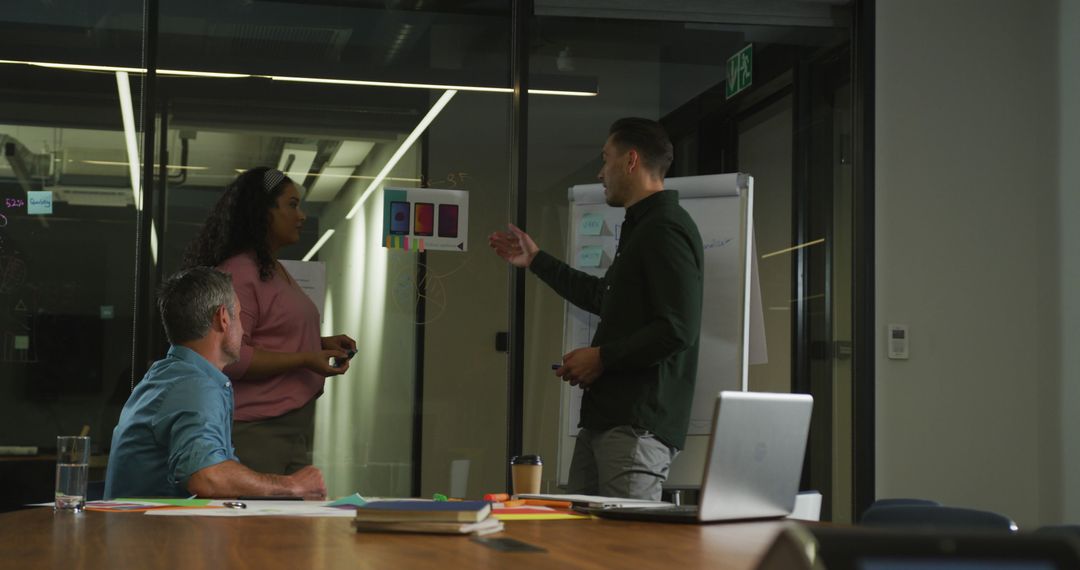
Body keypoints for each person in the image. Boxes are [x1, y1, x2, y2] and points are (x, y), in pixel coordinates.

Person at [488, 117, 704, 500]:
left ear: (631, 161)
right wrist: (537, 261)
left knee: (626, 550)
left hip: (635, 426)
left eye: (606, 159)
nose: (601, 172)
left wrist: (602, 356)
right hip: (608, 421)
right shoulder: (641, 228)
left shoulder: (664, 228)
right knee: (582, 546)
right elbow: (606, 297)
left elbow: (677, 328)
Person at [182, 167, 355, 475]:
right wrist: (305, 358)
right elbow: (230, 357)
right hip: (257, 432)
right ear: (264, 212)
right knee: (263, 523)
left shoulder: (270, 268)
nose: (301, 216)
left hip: (288, 429)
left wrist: (319, 345)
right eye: (292, 205)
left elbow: (269, 337)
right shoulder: (240, 272)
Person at [104, 267, 326, 499]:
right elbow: (206, 477)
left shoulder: (170, 376)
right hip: (153, 534)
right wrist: (292, 484)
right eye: (239, 316)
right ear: (223, 318)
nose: (242, 330)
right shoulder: (195, 387)